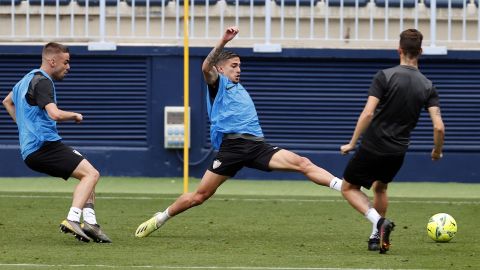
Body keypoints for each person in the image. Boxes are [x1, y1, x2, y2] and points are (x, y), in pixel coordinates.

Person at [135, 26, 343, 238]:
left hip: (257, 146)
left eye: (240, 66)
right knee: (199, 196)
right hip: (232, 148)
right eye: (234, 66)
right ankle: (160, 218)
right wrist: (223, 41)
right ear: (221, 69)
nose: (239, 70)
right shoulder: (218, 83)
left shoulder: (240, 88)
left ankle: (343, 187)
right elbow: (206, 66)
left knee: (303, 163)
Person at [339, 29, 445, 254]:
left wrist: (351, 143)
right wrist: (436, 151)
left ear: (399, 50)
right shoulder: (428, 86)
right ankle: (375, 238)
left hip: (372, 145)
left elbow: (368, 113)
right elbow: (439, 126)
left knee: (348, 187)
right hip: (397, 151)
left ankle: (378, 223)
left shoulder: (385, 76)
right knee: (380, 187)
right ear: (421, 52)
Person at [2, 42, 111, 243]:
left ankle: (90, 223)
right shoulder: (42, 81)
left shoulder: (25, 80)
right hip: (44, 146)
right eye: (66, 62)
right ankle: (72, 219)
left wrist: (23, 127)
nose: (68, 67)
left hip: (33, 150)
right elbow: (54, 114)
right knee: (92, 174)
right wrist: (75, 115)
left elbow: (7, 102)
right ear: (52, 61)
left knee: (87, 171)